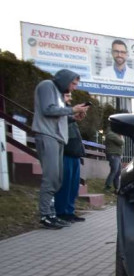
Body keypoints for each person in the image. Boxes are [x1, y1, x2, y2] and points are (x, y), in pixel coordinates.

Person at [31, 69, 89, 229]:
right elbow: (48, 110)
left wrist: (73, 117)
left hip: (57, 138)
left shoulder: (57, 92)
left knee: (57, 179)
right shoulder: (47, 86)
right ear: (65, 80)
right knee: (50, 178)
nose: (74, 88)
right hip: (47, 135)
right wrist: (72, 109)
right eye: (73, 84)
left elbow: (57, 115)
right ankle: (45, 215)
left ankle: (52, 214)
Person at [54, 93, 87, 222]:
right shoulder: (57, 109)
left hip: (75, 153)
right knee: (65, 185)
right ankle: (61, 212)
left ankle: (70, 211)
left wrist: (75, 117)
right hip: (65, 153)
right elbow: (58, 122)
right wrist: (73, 116)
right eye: (67, 95)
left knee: (73, 186)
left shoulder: (68, 111)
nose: (70, 98)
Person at [103, 119, 124, 191]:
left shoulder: (114, 134)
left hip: (117, 155)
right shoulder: (111, 134)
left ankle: (116, 188)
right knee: (114, 170)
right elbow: (121, 142)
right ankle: (107, 186)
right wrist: (121, 136)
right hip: (113, 155)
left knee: (118, 172)